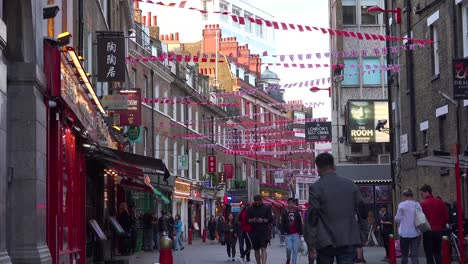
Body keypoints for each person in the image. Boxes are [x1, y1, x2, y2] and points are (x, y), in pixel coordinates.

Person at [305, 152, 365, 263]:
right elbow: (362, 210)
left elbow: (313, 217)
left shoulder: (316, 188)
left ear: (318, 168)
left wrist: (311, 243)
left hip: (325, 241)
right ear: (334, 166)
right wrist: (363, 234)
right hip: (348, 238)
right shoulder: (350, 185)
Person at [420, 184, 449, 264]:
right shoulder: (440, 202)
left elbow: (420, 219)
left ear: (426, 192)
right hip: (438, 231)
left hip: (427, 231)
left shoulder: (422, 204)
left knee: (429, 255)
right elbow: (446, 216)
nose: (421, 196)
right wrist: (441, 225)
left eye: (422, 193)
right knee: (438, 253)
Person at [395, 188, 422, 264]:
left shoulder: (401, 205)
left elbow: (397, 219)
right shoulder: (417, 204)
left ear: (404, 196)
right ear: (412, 195)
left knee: (404, 255)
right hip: (415, 232)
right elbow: (421, 217)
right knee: (414, 255)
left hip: (404, 233)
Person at [247, 194, 273, 264]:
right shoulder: (250, 209)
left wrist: (263, 220)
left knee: (263, 248)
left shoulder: (266, 208)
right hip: (254, 232)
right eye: (256, 201)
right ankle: (258, 262)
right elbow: (247, 220)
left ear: (261, 201)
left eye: (259, 201)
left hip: (264, 231)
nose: (257, 203)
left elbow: (271, 219)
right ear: (254, 201)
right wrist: (253, 220)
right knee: (256, 249)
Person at [281, 197, 303, 264]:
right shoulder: (285, 212)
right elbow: (282, 222)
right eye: (289, 203)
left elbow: (299, 223)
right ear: (287, 204)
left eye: (292, 203)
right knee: (289, 248)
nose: (290, 204)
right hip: (288, 234)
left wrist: (301, 233)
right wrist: (283, 233)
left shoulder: (297, 213)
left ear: (294, 204)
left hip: (296, 234)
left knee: (295, 250)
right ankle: (288, 258)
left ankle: (294, 262)